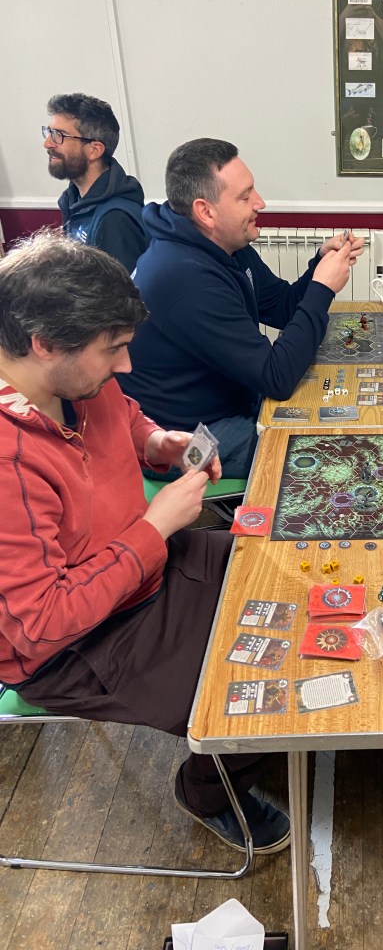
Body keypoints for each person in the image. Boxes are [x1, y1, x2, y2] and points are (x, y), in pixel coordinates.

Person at [0, 231, 289, 855]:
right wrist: (155, 528)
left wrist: (158, 442)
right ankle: (207, 792)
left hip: (142, 568)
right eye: (113, 350)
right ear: (44, 344)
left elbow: (125, 415)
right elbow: (41, 625)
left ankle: (243, 751)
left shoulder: (78, 379)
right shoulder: (8, 460)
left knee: (281, 568)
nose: (126, 366)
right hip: (78, 646)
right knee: (262, 692)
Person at [120, 138, 362, 478]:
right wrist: (322, 288)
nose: (260, 203)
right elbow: (277, 379)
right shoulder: (185, 278)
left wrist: (318, 267)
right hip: (186, 439)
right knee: (332, 453)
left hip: (231, 403)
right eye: (245, 197)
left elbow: (282, 307)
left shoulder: (224, 244)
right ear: (205, 211)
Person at [43, 93, 149, 272]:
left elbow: (121, 289)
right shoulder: (72, 199)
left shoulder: (114, 218)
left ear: (94, 150)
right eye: (49, 132)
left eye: (59, 135)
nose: (47, 143)